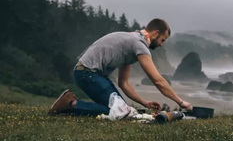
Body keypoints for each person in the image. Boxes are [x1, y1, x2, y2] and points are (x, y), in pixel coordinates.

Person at [47, 18, 193, 116]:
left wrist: (144, 103)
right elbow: (158, 81)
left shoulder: (132, 40)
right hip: (88, 73)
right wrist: (180, 102)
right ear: (155, 33)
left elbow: (124, 83)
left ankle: (72, 104)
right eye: (162, 40)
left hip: (89, 73)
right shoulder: (138, 44)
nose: (161, 44)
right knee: (121, 112)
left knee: (122, 110)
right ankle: (71, 104)